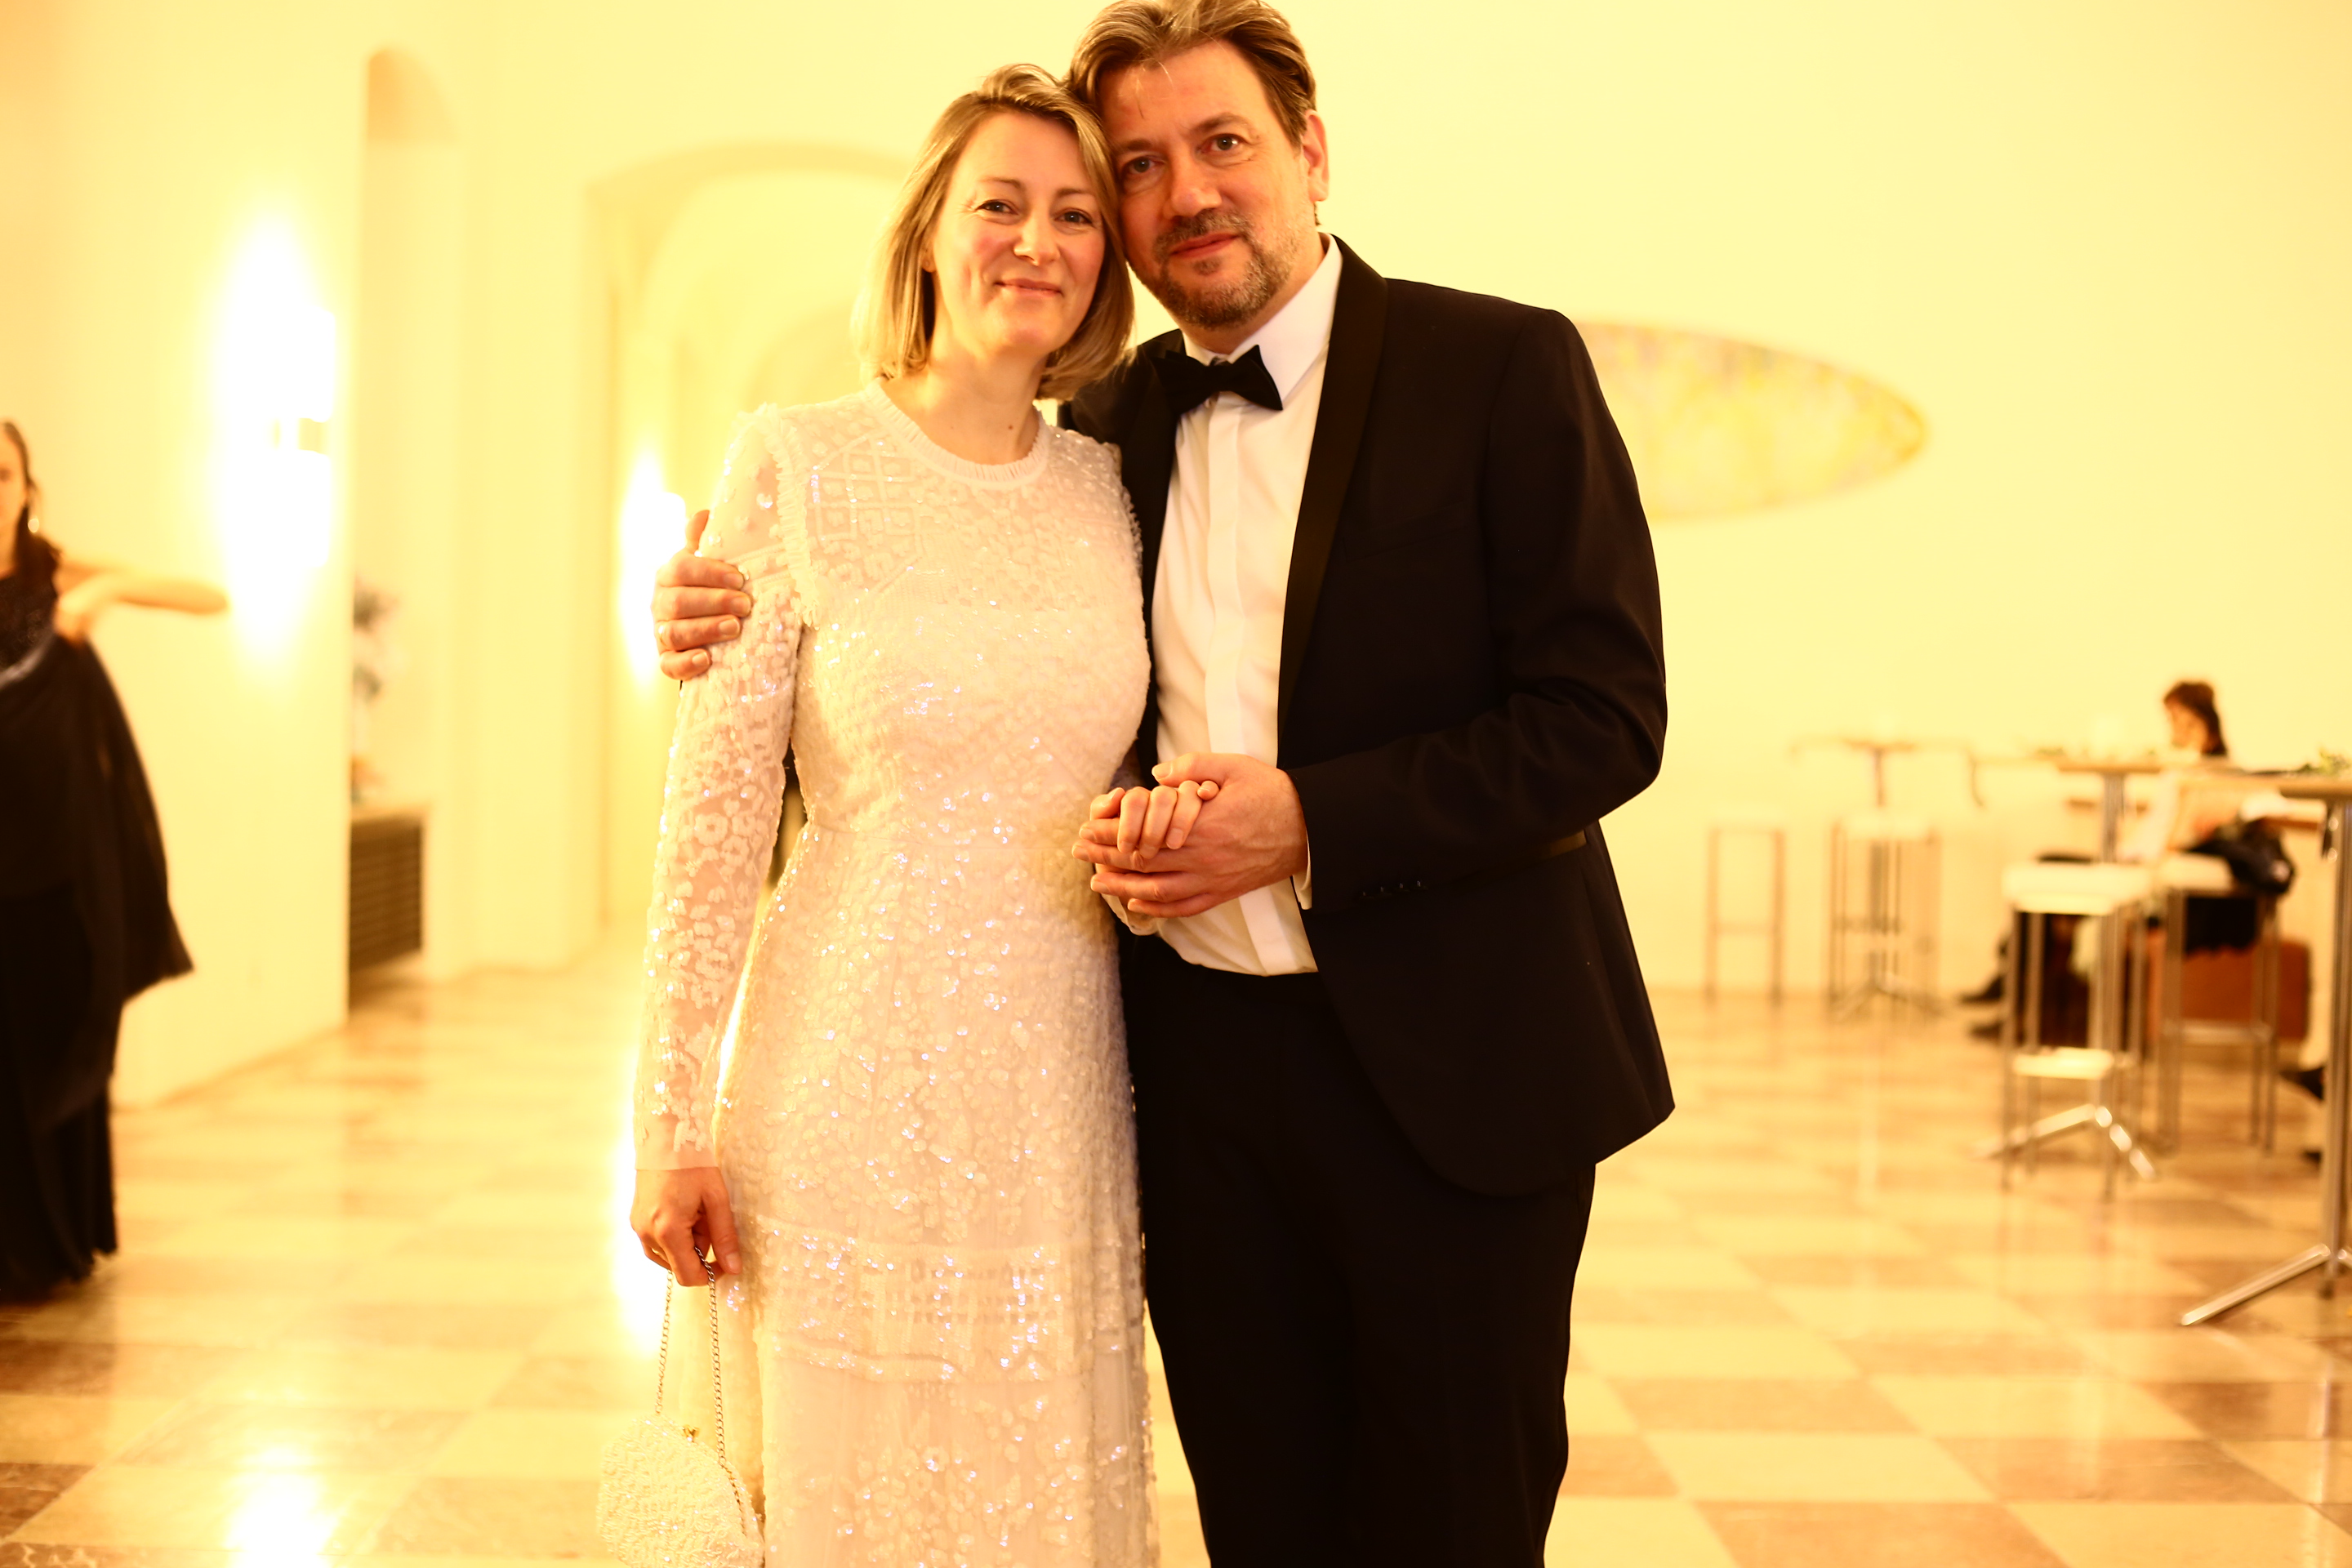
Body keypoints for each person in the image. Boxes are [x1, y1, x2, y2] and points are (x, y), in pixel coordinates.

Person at [657, 6, 1672, 1562]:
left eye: (1223, 143)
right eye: (1138, 165)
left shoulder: (1501, 366)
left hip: (1453, 1077)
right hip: (1194, 1094)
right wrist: (704, 612)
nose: (1186, 192)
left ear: (1310, 151)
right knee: (1261, 1524)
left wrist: (1313, 819)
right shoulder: (1101, 435)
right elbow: (944, 656)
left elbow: (1605, 718)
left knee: (1456, 1529)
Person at [626, 67, 1160, 1562]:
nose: (1037, 242)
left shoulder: (1115, 486)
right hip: (846, 1074)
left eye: (1075, 215)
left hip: (1061, 1078)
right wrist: (669, 1122)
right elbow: (714, 828)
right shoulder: (795, 464)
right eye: (1001, 204)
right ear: (929, 229)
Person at [0, 419, 224, 1298]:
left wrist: (106, 593)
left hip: (55, 862)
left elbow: (210, 597)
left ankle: (51, 1245)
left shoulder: (55, 573)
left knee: (47, 1042)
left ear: (27, 489)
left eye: (4, 474)